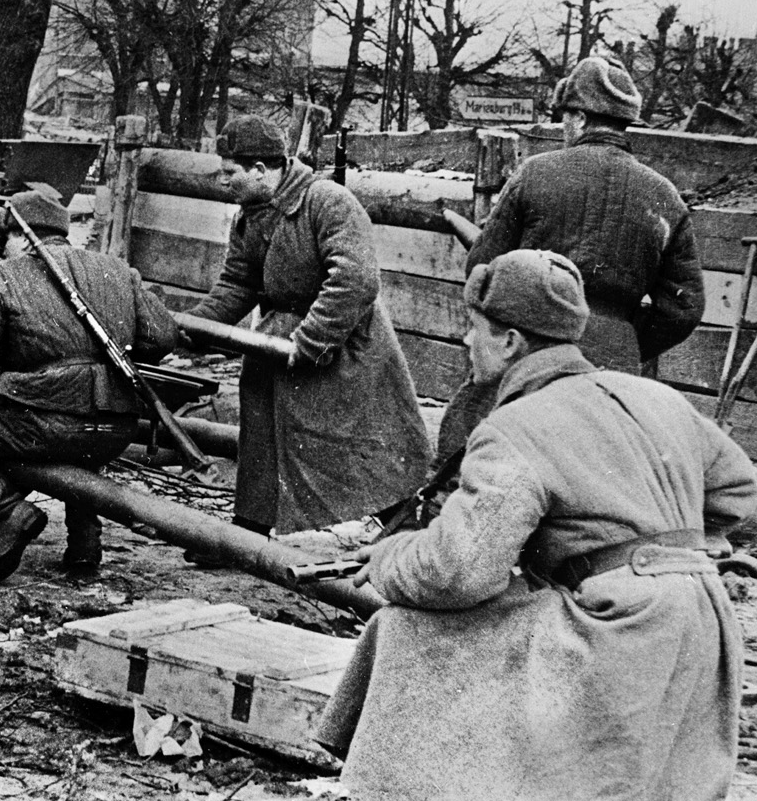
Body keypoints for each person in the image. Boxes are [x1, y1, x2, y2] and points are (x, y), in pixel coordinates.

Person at [317, 249, 757, 801]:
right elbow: (741, 491)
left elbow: (460, 573)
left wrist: (388, 557)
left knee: (406, 631)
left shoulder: (514, 429)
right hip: (705, 623)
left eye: (472, 329)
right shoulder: (654, 396)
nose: (465, 343)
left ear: (510, 342)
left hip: (617, 627)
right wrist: (675, 549)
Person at [437, 53, 705, 460]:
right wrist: (625, 338)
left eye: (565, 116)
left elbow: (482, 267)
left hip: (531, 352)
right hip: (613, 366)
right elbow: (684, 309)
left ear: (579, 118)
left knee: (487, 463)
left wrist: (510, 329)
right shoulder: (665, 196)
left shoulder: (536, 173)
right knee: (591, 477)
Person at [0, 189, 177, 583]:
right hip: (115, 428)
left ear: (19, 234)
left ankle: (9, 511)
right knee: (78, 436)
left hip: (47, 427)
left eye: (5, 239)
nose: (1, 248)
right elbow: (164, 337)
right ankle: (85, 546)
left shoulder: (2, 276)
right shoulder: (118, 269)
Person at [186, 115, 429, 536]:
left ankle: (405, 534)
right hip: (276, 347)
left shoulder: (326, 201)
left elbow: (356, 279)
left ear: (261, 170)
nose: (222, 182)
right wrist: (191, 328)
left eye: (230, 173)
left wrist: (313, 339)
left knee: (356, 445)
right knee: (260, 437)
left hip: (343, 344)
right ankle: (247, 533)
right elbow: (237, 285)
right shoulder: (250, 215)